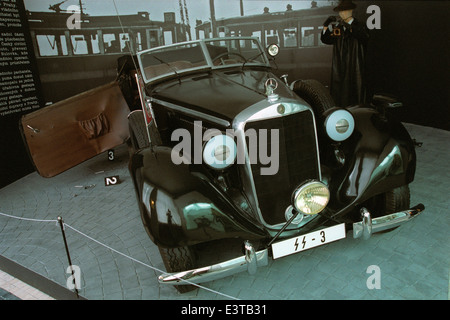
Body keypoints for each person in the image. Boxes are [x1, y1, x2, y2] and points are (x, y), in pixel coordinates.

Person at [321, 0, 369, 107]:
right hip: (340, 68)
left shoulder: (360, 25)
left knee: (355, 95)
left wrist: (348, 26)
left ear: (351, 11)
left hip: (354, 68)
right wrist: (325, 26)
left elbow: (364, 37)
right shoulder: (338, 28)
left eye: (344, 11)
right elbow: (326, 40)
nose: (341, 14)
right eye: (340, 11)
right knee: (340, 95)